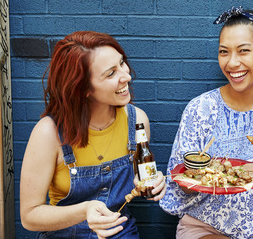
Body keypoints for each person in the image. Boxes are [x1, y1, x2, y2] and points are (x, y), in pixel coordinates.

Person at [160, 6, 253, 239]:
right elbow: (183, 185)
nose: (232, 63)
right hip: (203, 225)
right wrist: (196, 173)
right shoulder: (200, 109)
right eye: (224, 52)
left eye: (243, 51)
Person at [20, 31, 166, 238]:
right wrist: (84, 210)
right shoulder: (48, 133)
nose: (127, 76)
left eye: (122, 63)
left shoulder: (137, 121)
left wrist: (149, 183)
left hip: (119, 232)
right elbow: (29, 216)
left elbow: (139, 176)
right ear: (83, 88)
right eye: (111, 73)